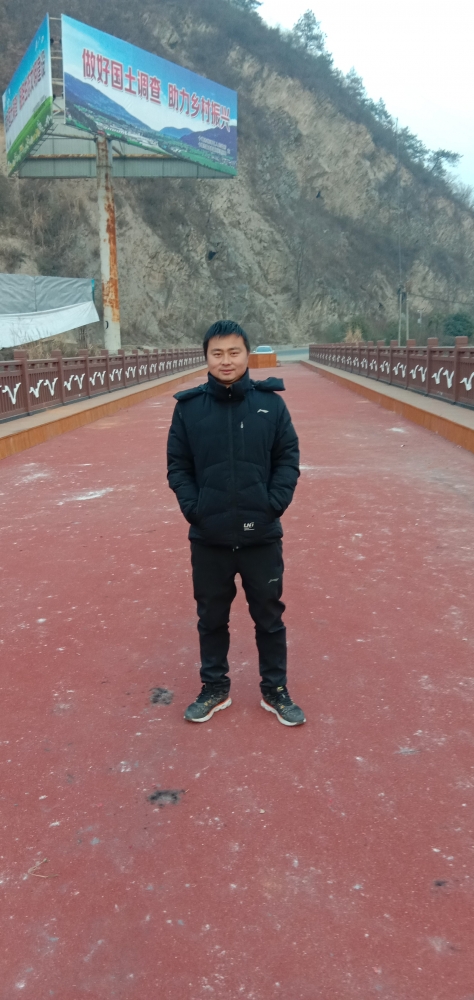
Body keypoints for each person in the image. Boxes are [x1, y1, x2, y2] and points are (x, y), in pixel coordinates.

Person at [167, 320, 305, 727]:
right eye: (217, 353)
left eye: (233, 352)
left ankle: (275, 690)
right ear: (206, 357)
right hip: (209, 536)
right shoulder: (189, 408)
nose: (226, 360)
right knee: (211, 618)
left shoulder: (271, 406)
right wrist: (195, 509)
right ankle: (214, 687)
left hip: (261, 534)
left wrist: (273, 504)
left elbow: (287, 458)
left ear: (247, 355)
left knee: (269, 617)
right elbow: (178, 466)